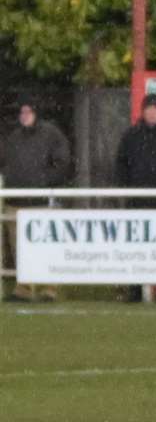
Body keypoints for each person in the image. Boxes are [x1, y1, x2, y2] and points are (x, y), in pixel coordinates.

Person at [113, 92, 156, 302]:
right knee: (136, 247)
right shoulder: (131, 135)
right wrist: (125, 188)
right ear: (142, 112)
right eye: (148, 109)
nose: (152, 113)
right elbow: (121, 164)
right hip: (137, 200)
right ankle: (135, 289)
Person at [0, 98, 73, 302]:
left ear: (36, 113)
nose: (24, 116)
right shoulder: (13, 137)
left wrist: (43, 182)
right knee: (19, 248)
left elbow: (63, 163)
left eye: (28, 112)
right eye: (21, 112)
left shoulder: (51, 134)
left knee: (46, 246)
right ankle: (24, 288)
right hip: (16, 202)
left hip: (42, 202)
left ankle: (49, 288)